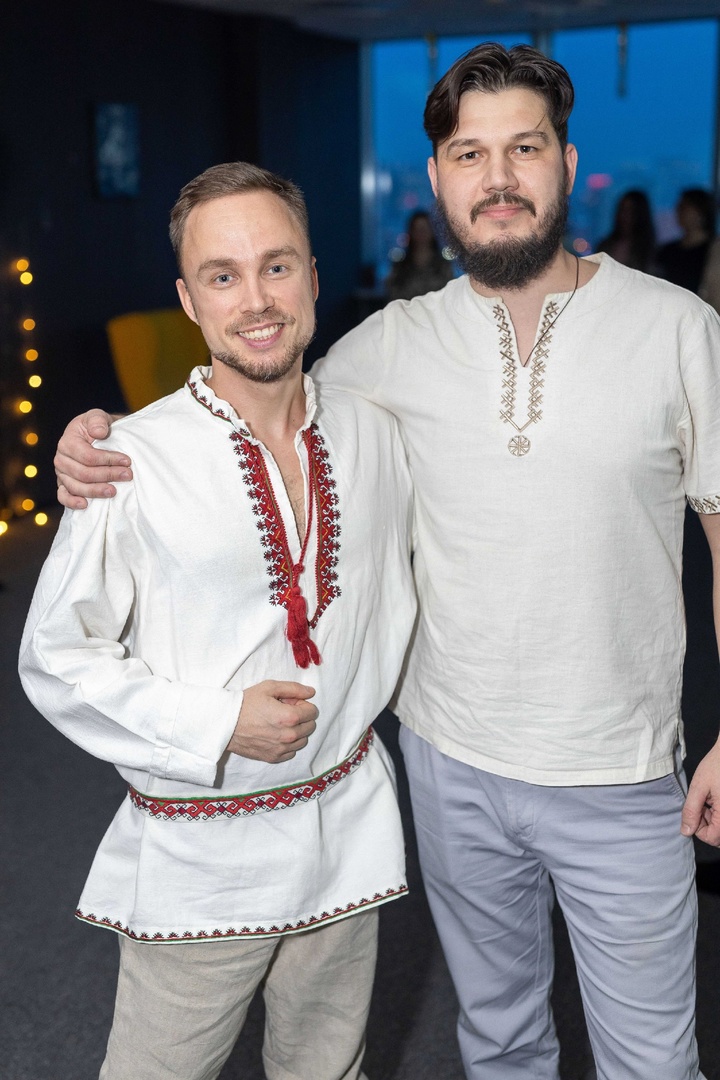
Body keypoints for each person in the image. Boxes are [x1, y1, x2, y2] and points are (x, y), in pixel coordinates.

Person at [53, 43, 720, 1080]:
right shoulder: (381, 352)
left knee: (654, 1062)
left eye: (524, 148)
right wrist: (95, 439)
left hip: (622, 770)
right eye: (469, 155)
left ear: (565, 161)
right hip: (448, 768)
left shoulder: (677, 327)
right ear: (439, 179)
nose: (498, 178)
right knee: (500, 1042)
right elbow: (257, 385)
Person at [20, 162, 417, 1080]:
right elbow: (56, 656)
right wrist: (219, 722)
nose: (256, 300)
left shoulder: (377, 433)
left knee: (329, 1068)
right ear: (189, 301)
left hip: (347, 834)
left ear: (313, 276)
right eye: (223, 276)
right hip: (206, 859)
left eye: (276, 266)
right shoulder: (129, 458)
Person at [384, 209, 455, 301]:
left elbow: (448, 295)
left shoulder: (443, 266)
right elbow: (393, 295)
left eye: (424, 229)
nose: (421, 234)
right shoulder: (400, 267)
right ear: (411, 232)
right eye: (417, 229)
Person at [656, 187, 716, 293]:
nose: (679, 211)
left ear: (701, 212)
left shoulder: (714, 252)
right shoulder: (668, 251)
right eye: (679, 207)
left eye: (685, 207)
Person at [596, 187, 656, 271]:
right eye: (622, 210)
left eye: (630, 211)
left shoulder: (652, 253)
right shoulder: (605, 247)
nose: (624, 216)